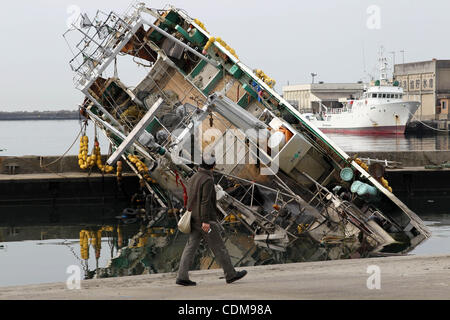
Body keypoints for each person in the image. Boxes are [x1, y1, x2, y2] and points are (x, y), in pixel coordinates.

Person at [176, 156, 247, 286]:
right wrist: (205, 222)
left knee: (190, 248)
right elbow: (205, 202)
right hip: (205, 221)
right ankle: (230, 275)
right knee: (219, 247)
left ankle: (182, 276)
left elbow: (190, 198)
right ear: (212, 166)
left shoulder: (194, 178)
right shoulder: (207, 179)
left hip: (193, 218)